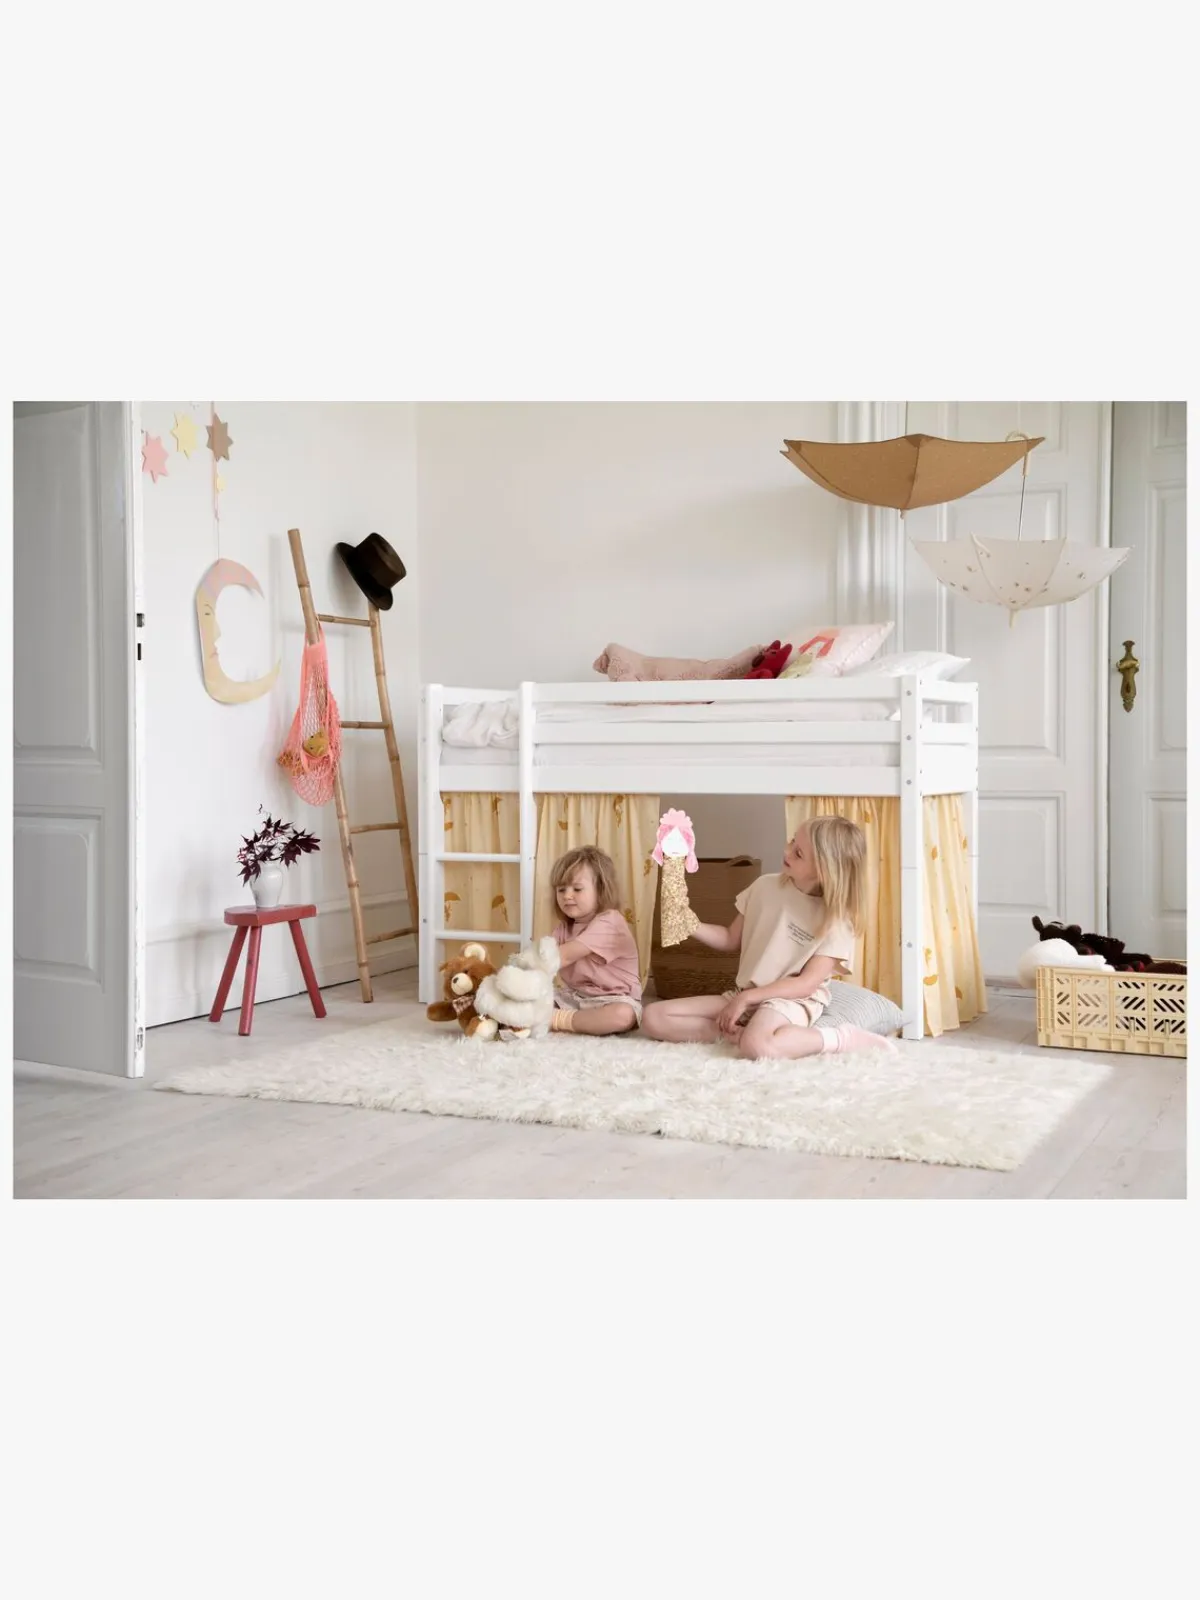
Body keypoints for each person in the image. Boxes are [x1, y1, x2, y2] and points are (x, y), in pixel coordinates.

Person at [641, 815, 899, 1059]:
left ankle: (839, 1038)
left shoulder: (837, 921)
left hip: (791, 1000)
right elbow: (730, 938)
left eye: (798, 853)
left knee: (757, 1045)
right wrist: (689, 923)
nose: (787, 851)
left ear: (824, 871)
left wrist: (746, 999)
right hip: (747, 994)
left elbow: (805, 985)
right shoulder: (764, 886)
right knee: (653, 1017)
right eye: (792, 842)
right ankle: (738, 1034)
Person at [548, 846, 643, 1034]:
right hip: (575, 997)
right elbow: (543, 961)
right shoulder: (563, 928)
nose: (567, 896)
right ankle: (570, 1018)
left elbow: (560, 957)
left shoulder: (610, 922)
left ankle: (556, 1020)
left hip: (614, 999)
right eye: (561, 890)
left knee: (623, 1015)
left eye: (577, 889)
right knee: (529, 999)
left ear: (601, 891)